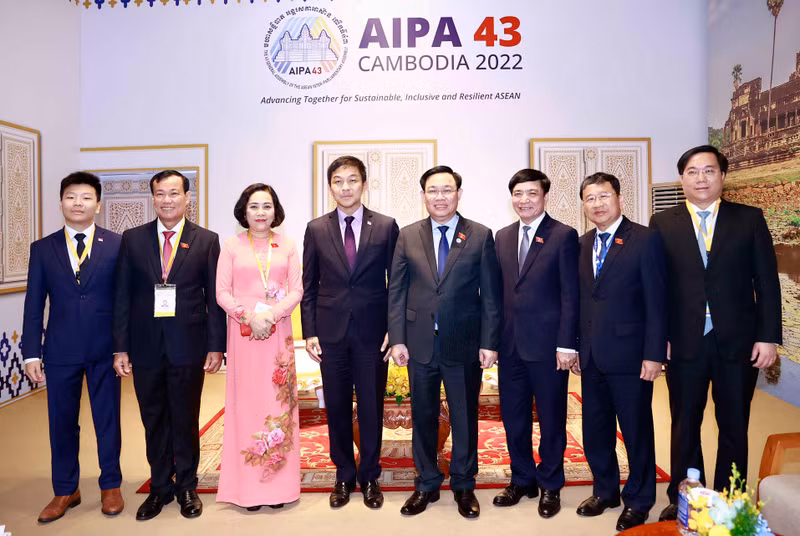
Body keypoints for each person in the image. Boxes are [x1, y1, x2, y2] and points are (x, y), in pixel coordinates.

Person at [650, 145, 782, 521]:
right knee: (684, 425)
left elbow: (768, 282)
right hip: (684, 342)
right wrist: (660, 339)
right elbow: (657, 287)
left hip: (738, 342)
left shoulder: (749, 219)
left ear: (723, 177)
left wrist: (768, 336)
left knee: (734, 425)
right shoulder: (663, 222)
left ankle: (730, 501)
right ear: (682, 179)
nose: (701, 178)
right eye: (693, 172)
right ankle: (689, 501)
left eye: (709, 171)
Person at [388, 165, 501, 519]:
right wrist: (397, 339)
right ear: (424, 196)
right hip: (419, 342)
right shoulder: (407, 235)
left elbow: (490, 296)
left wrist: (489, 341)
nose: (440, 196)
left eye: (447, 190)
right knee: (422, 415)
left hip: (464, 342)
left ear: (459, 194)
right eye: (433, 190)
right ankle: (426, 484)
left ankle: (464, 485)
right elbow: (397, 291)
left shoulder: (480, 235)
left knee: (465, 416)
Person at [112, 170, 226, 521]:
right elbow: (122, 297)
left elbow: (214, 297)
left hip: (188, 345)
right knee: (153, 418)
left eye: (174, 193)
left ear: (187, 197)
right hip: (145, 346)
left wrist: (216, 346)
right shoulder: (132, 239)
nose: (167, 200)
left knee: (185, 417)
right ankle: (160, 486)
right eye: (160, 194)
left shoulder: (206, 240)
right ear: (153, 197)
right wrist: (120, 348)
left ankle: (187, 486)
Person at [22, 172, 124, 523]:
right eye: (70, 196)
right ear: (61, 202)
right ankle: (66, 489)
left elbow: (124, 300)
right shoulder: (43, 248)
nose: (77, 203)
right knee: (60, 422)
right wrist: (31, 352)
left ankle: (111, 484)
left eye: (85, 197)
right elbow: (34, 305)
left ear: (98, 204)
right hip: (61, 351)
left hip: (104, 349)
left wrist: (123, 347)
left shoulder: (116, 244)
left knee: (107, 419)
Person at [301, 156, 399, 509]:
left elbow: (396, 284)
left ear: (364, 184)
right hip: (330, 333)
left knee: (372, 405)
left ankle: (370, 475)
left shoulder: (386, 226)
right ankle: (343, 474)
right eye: (338, 181)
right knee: (337, 406)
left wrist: (393, 327)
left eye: (352, 180)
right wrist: (309, 330)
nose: (345, 187)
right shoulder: (316, 228)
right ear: (330, 187)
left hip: (373, 334)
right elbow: (308, 285)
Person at [573, 172, 666, 531]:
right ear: (583, 206)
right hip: (592, 354)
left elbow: (657, 302)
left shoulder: (645, 239)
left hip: (631, 355)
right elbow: (581, 300)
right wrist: (578, 348)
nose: (597, 204)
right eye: (590, 199)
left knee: (636, 429)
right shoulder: (580, 245)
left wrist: (654, 353)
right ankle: (605, 490)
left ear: (620, 199)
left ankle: (640, 499)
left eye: (603, 196)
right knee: (596, 429)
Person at [492, 169, 579, 518]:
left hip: (548, 348)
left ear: (544, 196)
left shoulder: (563, 235)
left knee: (552, 418)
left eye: (531, 193)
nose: (524, 200)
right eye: (518, 193)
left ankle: (551, 484)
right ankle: (522, 479)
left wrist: (567, 344)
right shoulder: (502, 236)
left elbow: (570, 295)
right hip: (510, 345)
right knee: (513, 419)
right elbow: (498, 294)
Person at [215, 184, 303, 510]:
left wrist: (272, 315)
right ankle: (249, 491)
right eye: (254, 206)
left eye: (267, 206)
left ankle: (277, 487)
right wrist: (249, 317)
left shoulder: (289, 245)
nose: (261, 212)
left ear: (275, 210)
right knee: (247, 407)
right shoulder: (232, 246)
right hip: (244, 337)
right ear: (244, 210)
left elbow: (297, 290)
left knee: (278, 408)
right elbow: (222, 291)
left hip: (277, 337)